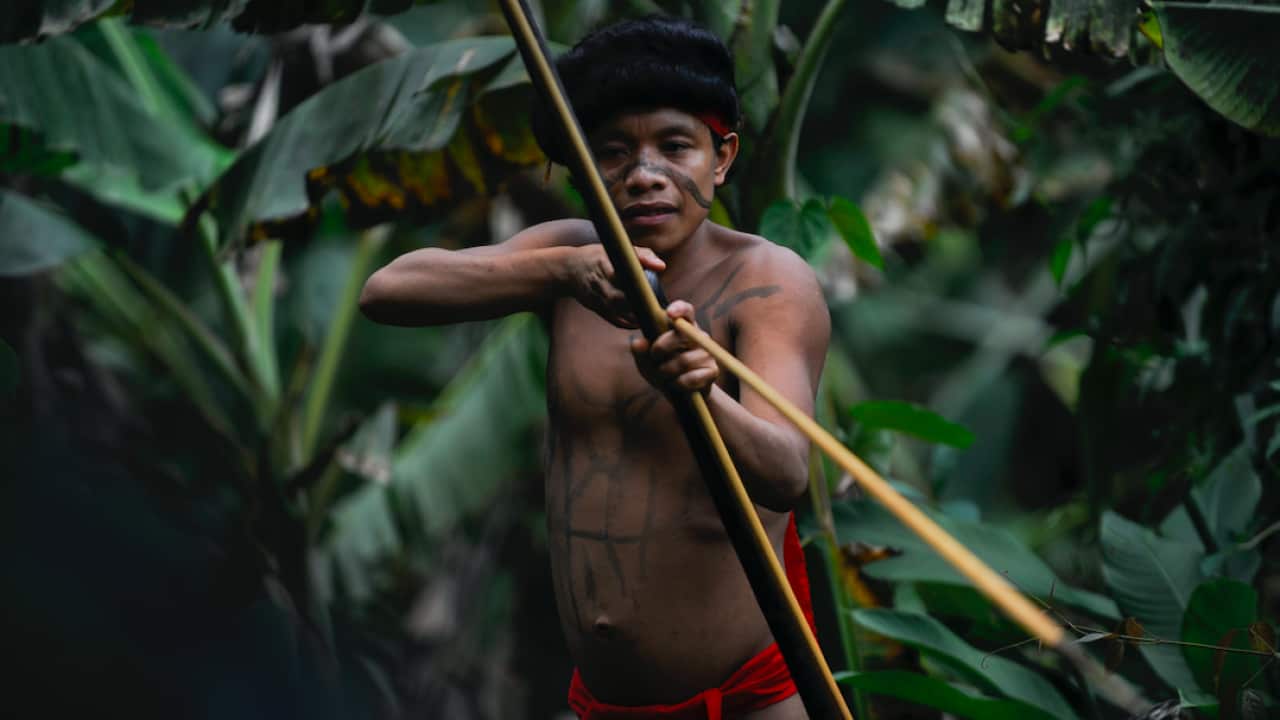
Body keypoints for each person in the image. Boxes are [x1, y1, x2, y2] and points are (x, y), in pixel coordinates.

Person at [359, 16, 829, 719]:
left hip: (743, 704)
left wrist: (701, 390)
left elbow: (788, 470)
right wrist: (563, 271)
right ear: (580, 166)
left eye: (676, 146)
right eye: (612, 153)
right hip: (597, 705)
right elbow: (387, 291)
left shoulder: (768, 281)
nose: (644, 176)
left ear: (721, 157)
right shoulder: (572, 255)